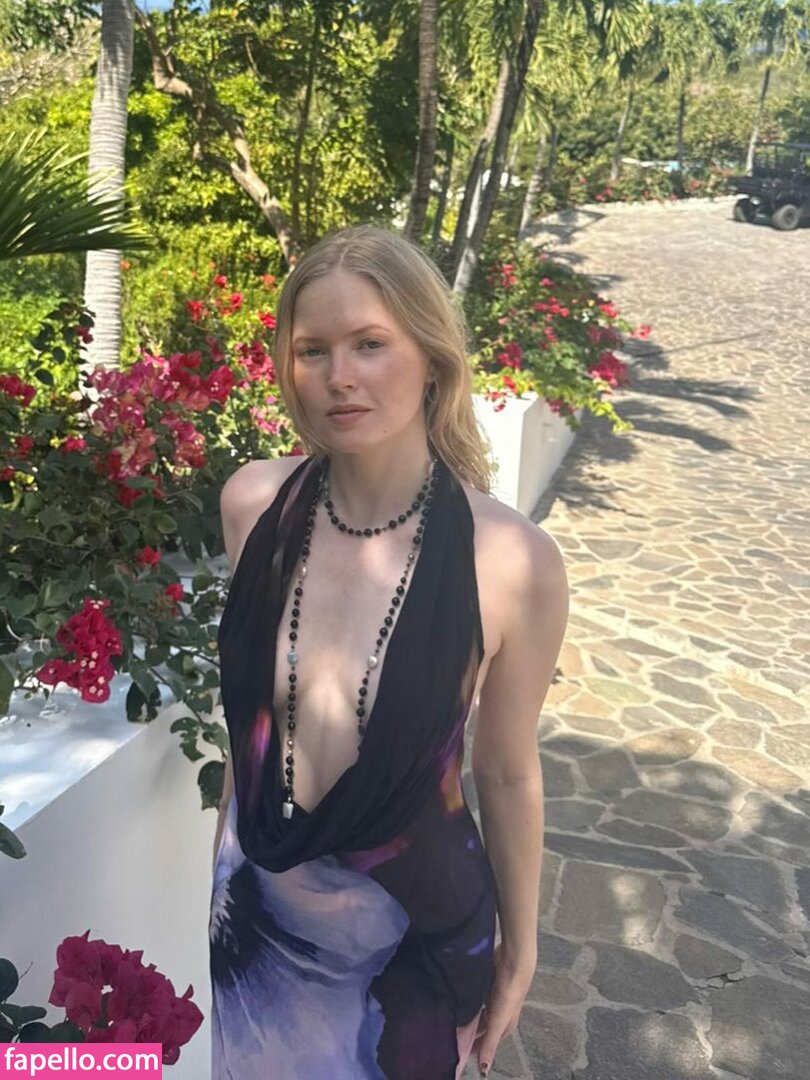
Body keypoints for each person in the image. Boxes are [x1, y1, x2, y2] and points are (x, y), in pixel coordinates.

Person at [208, 224, 569, 1079]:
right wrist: (221, 865)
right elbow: (253, 728)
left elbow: (507, 770)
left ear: (431, 357)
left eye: (370, 343)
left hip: (416, 947)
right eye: (314, 350)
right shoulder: (252, 505)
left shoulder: (512, 562)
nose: (340, 375)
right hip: (256, 910)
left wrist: (522, 950)